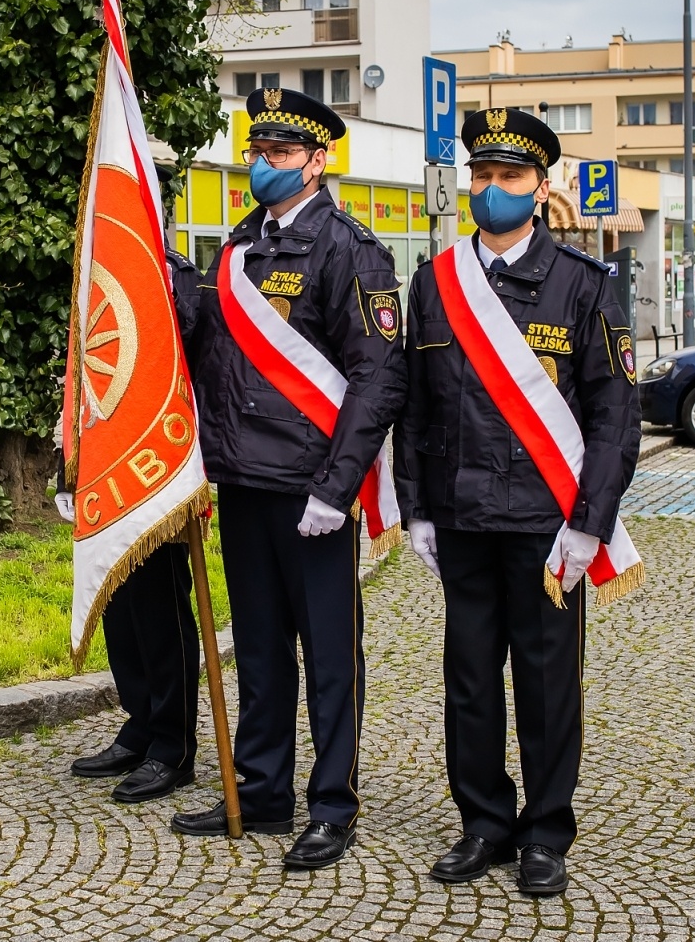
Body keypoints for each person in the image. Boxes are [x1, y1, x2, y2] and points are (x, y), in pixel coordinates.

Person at [393, 107, 641, 896]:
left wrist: (588, 523)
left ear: (541, 189)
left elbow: (614, 415)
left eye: (508, 177)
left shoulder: (584, 285)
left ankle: (544, 832)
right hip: (462, 515)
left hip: (544, 524)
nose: (490, 189)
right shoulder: (435, 282)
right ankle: (483, 822)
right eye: (481, 175)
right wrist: (417, 507)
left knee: (543, 680)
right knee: (467, 678)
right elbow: (415, 407)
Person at [172, 88, 407, 870]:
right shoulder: (238, 246)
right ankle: (263, 787)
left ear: (318, 160)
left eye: (279, 153)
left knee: (329, 654)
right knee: (263, 650)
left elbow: (376, 382)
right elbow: (206, 348)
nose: (262, 164)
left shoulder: (352, 249)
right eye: (256, 150)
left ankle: (332, 804)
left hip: (312, 494)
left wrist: (335, 490)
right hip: (243, 483)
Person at [59, 178, 204, 805]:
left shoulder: (179, 281)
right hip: (108, 467)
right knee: (119, 604)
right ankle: (139, 723)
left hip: (156, 467)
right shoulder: (98, 272)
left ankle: (173, 744)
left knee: (162, 609)